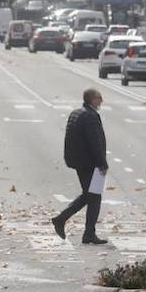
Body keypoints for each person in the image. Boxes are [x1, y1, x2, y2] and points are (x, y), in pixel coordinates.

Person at [52, 89, 109, 245]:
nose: (101, 101)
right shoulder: (90, 117)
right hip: (89, 163)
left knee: (89, 195)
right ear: (92, 99)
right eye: (99, 98)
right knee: (94, 197)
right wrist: (102, 162)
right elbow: (94, 142)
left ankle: (69, 223)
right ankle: (81, 230)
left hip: (79, 161)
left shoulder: (77, 113)